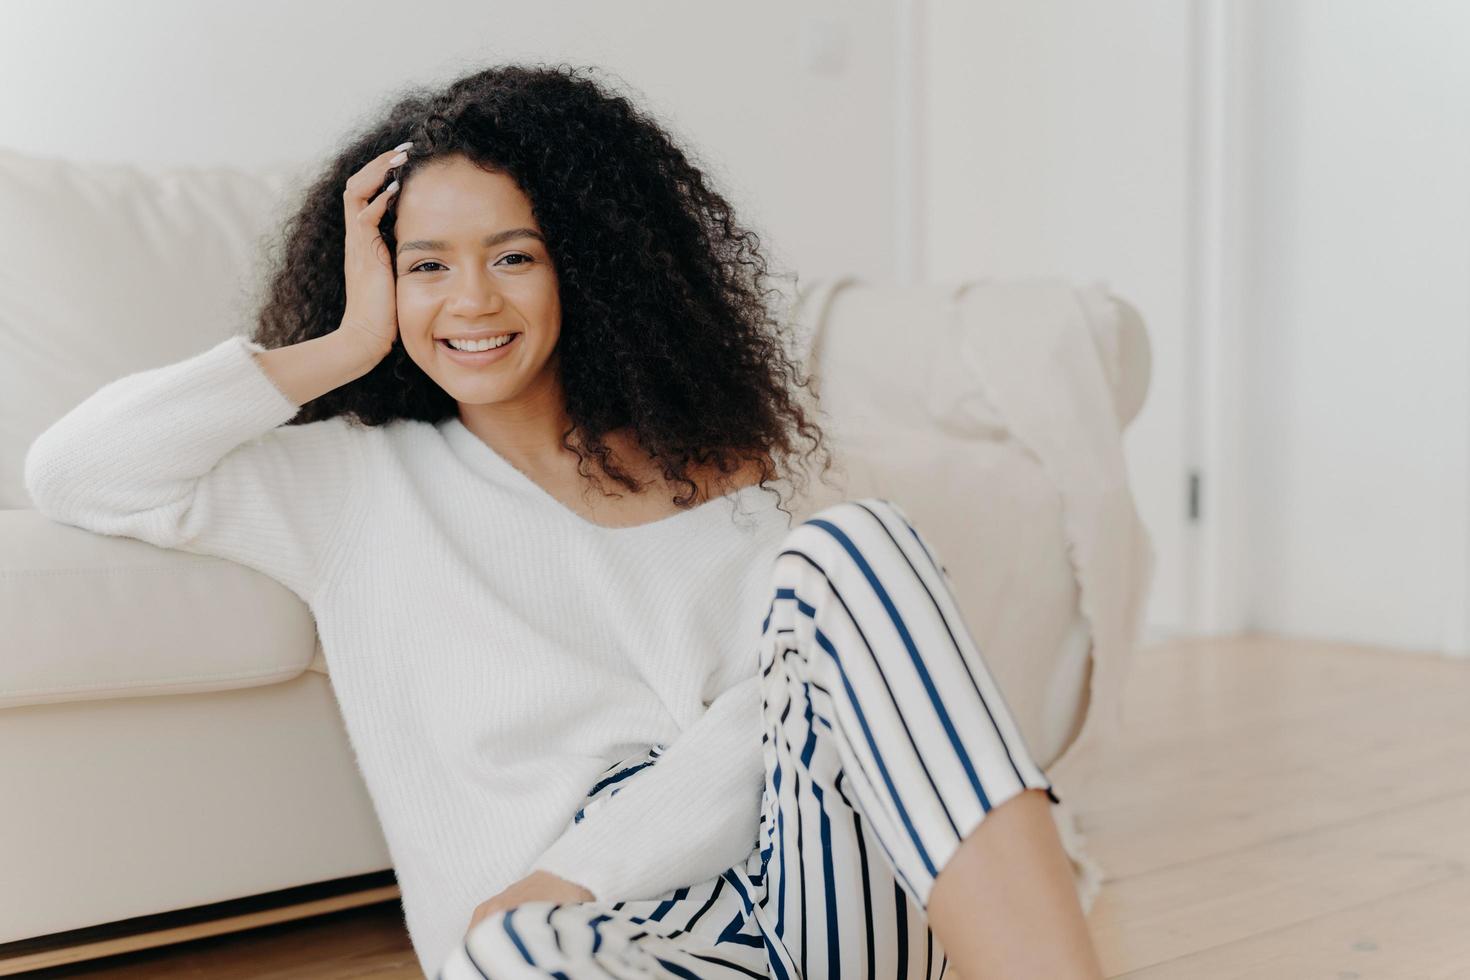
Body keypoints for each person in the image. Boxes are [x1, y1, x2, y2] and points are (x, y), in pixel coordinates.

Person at [23, 63, 1102, 979]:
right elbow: (78, 471)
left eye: (514, 255)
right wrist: (346, 347)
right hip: (590, 945)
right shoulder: (349, 483)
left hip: (812, 906)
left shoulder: (716, 469)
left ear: (584, 268)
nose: (472, 302)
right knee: (518, 951)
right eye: (426, 265)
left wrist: (586, 862)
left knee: (859, 543)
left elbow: (763, 729)